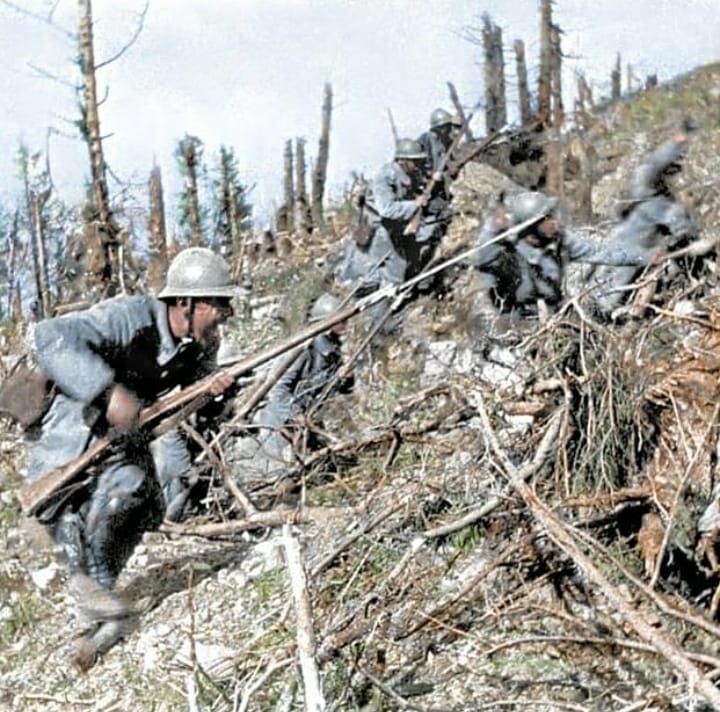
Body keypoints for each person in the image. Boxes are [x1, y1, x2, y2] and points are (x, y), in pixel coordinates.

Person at [24, 246, 236, 669]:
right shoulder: (130, 317)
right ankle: (90, 593)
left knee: (141, 504)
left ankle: (101, 608)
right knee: (65, 514)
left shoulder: (197, 344)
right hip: (73, 429)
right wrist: (107, 393)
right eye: (218, 303)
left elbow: (197, 400)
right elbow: (48, 336)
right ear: (185, 303)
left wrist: (217, 395)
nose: (225, 314)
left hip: (125, 437)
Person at [469, 191, 653, 319]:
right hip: (513, 322)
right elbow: (481, 257)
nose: (555, 222)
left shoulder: (560, 241)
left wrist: (644, 257)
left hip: (552, 314)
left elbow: (602, 252)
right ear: (530, 227)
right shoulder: (508, 253)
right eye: (547, 218)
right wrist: (492, 227)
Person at [231, 292, 353, 482]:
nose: (345, 323)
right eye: (341, 319)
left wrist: (342, 379)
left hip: (303, 423)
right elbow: (278, 390)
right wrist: (295, 413)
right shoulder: (302, 350)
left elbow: (326, 389)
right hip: (279, 423)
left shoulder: (332, 350)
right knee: (279, 476)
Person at [590, 131, 701, 316]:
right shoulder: (657, 204)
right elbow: (684, 230)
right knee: (614, 291)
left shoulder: (640, 196)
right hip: (626, 267)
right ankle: (610, 314)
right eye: (670, 171)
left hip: (615, 258)